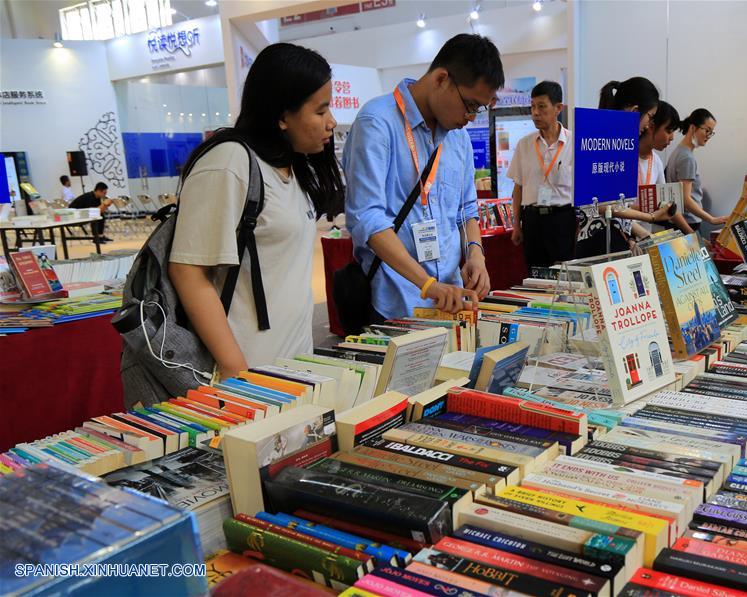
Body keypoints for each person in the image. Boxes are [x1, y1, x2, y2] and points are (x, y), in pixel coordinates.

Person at [168, 43, 344, 380]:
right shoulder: (229, 163)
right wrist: (237, 372)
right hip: (246, 375)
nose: (331, 122)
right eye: (321, 111)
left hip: (293, 364)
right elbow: (188, 271)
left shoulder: (291, 167)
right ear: (281, 116)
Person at [343, 34, 501, 320]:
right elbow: (367, 218)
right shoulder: (377, 123)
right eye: (470, 105)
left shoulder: (459, 138)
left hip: (451, 298)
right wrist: (427, 284)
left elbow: (466, 210)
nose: (471, 117)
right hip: (395, 299)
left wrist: (476, 254)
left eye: (479, 109)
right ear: (442, 79)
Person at [576, 77, 675, 257]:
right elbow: (600, 206)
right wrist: (651, 218)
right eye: (649, 117)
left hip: (615, 240)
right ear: (635, 111)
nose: (647, 126)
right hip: (597, 243)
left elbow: (617, 210)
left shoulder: (624, 146)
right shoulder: (600, 140)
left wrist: (637, 235)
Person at [508, 80, 574, 268]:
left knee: (563, 277)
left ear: (558, 108)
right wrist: (517, 225)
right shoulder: (524, 144)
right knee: (534, 276)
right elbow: (518, 187)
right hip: (532, 220)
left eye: (542, 107)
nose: (535, 112)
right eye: (533, 106)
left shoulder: (574, 143)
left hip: (563, 219)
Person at [665, 108, 728, 232]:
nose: (709, 136)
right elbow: (686, 200)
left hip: (681, 221)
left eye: (712, 132)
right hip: (686, 222)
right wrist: (711, 219)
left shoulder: (679, 152)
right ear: (693, 128)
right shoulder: (687, 158)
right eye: (707, 131)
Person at [638, 101, 693, 235]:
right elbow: (618, 209)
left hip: (644, 237)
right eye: (668, 131)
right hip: (627, 238)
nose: (672, 137)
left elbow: (666, 203)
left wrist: (692, 235)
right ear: (650, 126)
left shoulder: (656, 161)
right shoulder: (623, 160)